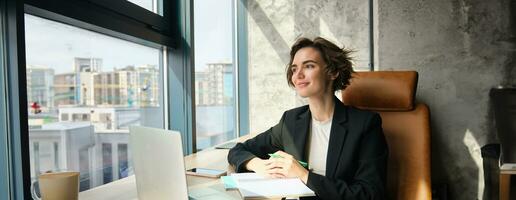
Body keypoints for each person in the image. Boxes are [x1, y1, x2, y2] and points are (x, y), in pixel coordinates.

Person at [228, 37, 388, 200]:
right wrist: (259, 165)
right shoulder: (290, 121)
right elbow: (238, 150)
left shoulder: (365, 125)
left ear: (333, 72)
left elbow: (369, 194)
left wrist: (304, 175)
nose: (298, 75)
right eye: (294, 69)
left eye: (309, 66)